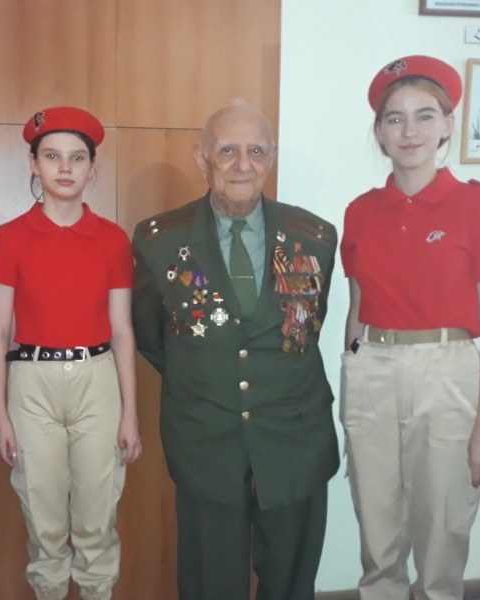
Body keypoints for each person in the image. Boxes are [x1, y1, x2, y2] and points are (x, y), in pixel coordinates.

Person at [132, 100, 339, 600]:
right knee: (210, 581)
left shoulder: (315, 237)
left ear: (272, 157)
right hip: (206, 439)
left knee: (291, 582)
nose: (242, 164)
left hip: (294, 438)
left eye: (256, 151)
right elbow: (151, 336)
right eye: (227, 150)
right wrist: (209, 371)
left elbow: (306, 329)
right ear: (202, 158)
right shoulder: (161, 240)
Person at [341, 55, 480, 600]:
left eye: (424, 116)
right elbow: (357, 305)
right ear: (379, 132)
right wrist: (352, 377)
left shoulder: (478, 204)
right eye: (394, 118)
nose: (409, 131)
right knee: (376, 530)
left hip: (447, 372)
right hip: (372, 368)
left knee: (441, 531)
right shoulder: (360, 211)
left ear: (446, 126)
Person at [0, 106, 142, 600]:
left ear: (93, 168)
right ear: (33, 164)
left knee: (98, 518)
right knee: (44, 521)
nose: (65, 167)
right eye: (52, 156)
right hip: (31, 383)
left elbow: (122, 331)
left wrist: (130, 414)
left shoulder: (112, 240)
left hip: (98, 379)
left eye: (78, 157)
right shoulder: (9, 237)